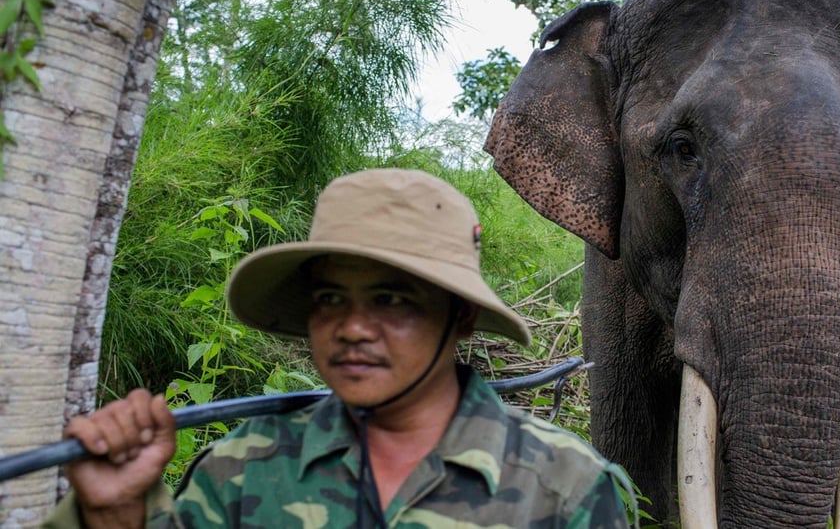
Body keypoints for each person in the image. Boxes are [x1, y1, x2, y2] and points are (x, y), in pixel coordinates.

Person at [47, 168, 631, 528]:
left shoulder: (562, 486)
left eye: (392, 300)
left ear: (462, 316)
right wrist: (115, 514)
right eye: (330, 298)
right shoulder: (242, 472)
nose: (352, 327)